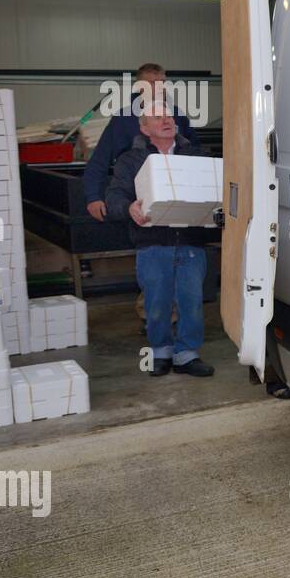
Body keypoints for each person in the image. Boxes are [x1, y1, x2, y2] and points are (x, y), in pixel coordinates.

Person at [105, 96, 215, 378]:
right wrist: (128, 208)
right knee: (157, 301)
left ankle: (187, 354)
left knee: (191, 301)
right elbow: (115, 196)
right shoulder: (131, 160)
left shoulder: (197, 156)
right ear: (144, 128)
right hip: (152, 243)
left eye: (169, 117)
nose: (166, 120)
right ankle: (161, 352)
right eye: (157, 117)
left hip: (190, 241)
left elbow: (216, 190)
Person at [84, 63, 200, 222]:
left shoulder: (177, 115)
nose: (160, 87)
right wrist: (93, 197)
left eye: (163, 83)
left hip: (176, 194)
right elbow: (99, 160)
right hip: (136, 196)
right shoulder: (123, 120)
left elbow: (197, 155)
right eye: (153, 83)